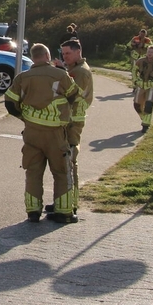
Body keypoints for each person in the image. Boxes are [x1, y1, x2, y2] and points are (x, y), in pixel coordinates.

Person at [4, 43, 80, 224]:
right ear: (47, 55)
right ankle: (63, 213)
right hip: (55, 133)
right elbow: (74, 95)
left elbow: (9, 103)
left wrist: (24, 117)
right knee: (61, 172)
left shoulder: (23, 78)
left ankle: (33, 212)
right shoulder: (60, 75)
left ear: (33, 57)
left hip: (32, 133)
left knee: (33, 172)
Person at [51, 39, 93, 216]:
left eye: (68, 53)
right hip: (70, 119)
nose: (65, 56)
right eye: (63, 54)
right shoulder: (75, 69)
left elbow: (72, 94)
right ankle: (64, 201)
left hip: (72, 121)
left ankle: (70, 203)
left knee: (69, 161)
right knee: (65, 161)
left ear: (78, 52)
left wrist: (60, 72)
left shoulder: (80, 72)